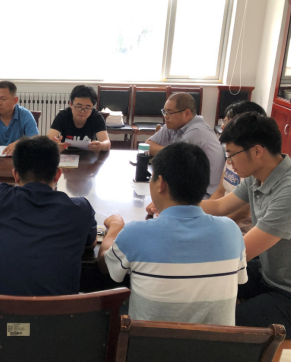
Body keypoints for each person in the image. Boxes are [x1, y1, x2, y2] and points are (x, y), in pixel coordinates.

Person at [0, 136, 97, 362]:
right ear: (58, 174)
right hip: (58, 339)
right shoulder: (80, 208)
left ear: (15, 174)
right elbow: (89, 243)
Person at [98, 142, 247, 326]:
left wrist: (115, 226)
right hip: (216, 344)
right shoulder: (231, 231)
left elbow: (105, 266)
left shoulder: (136, 233)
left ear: (160, 184)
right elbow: (239, 280)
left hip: (148, 343)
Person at [200, 112, 291, 338]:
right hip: (268, 273)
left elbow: (240, 253)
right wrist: (174, 204)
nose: (229, 162)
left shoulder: (288, 191)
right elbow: (220, 206)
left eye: (231, 154)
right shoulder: (257, 175)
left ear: (257, 151)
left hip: (286, 290)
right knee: (203, 289)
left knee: (223, 326)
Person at [145, 93, 225, 211]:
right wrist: (170, 153)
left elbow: (175, 168)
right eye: (164, 112)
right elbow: (147, 145)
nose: (166, 116)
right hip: (186, 189)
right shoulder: (173, 125)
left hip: (203, 197)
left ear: (187, 113)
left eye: (170, 112)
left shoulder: (197, 132)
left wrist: (171, 154)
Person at [209, 101, 267, 234]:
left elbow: (242, 213)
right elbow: (220, 194)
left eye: (228, 122)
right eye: (224, 121)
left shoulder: (253, 166)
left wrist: (210, 225)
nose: (222, 126)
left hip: (240, 231)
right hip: (222, 221)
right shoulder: (234, 155)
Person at [47, 85, 111, 152]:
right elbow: (49, 140)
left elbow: (107, 143)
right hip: (66, 153)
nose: (82, 111)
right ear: (71, 104)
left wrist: (101, 145)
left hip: (89, 154)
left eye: (87, 107)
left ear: (92, 107)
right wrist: (55, 145)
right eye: (78, 106)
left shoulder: (96, 117)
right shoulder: (63, 115)